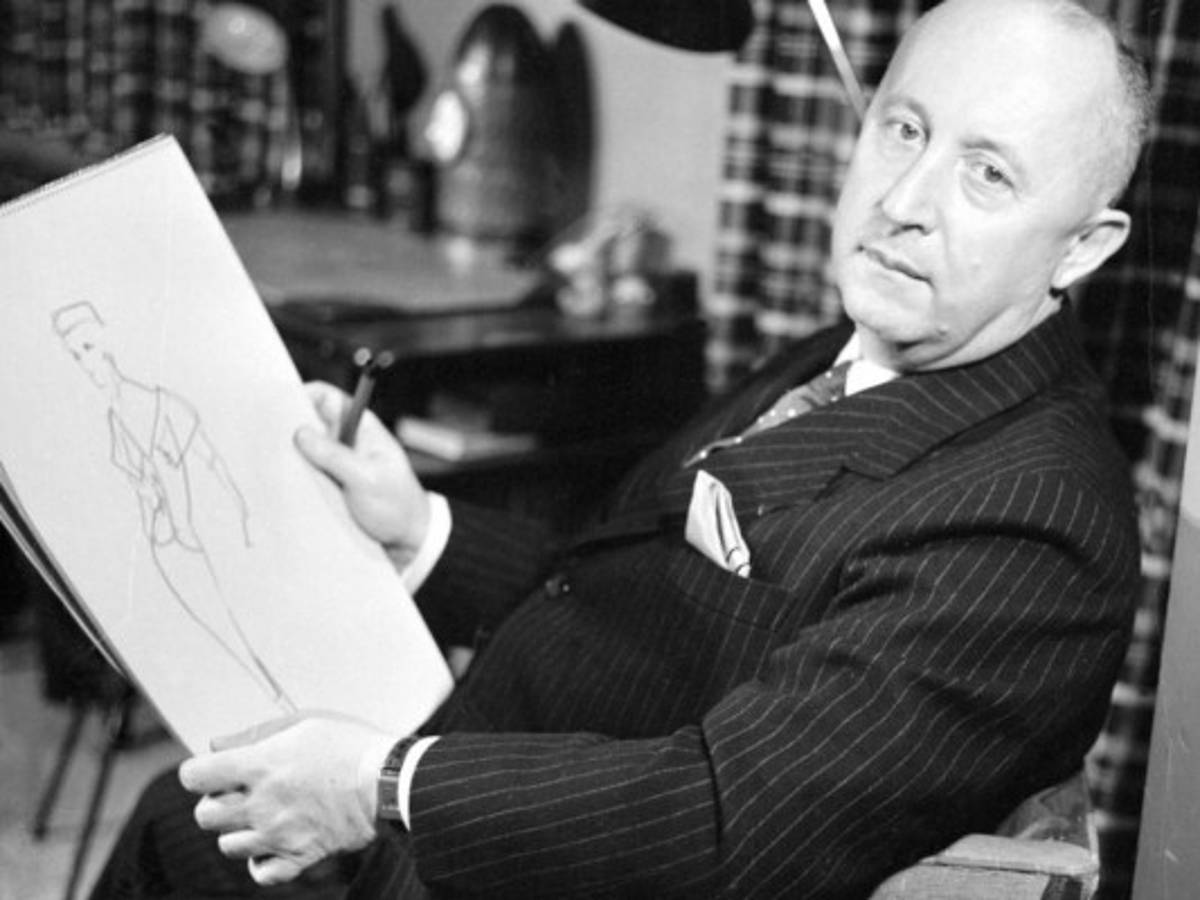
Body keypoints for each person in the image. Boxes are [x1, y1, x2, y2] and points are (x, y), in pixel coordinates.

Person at [90, 0, 1151, 896]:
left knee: (180, 835)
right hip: (494, 781)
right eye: (904, 129)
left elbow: (732, 822)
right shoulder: (864, 341)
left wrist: (380, 787)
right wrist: (422, 531)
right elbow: (631, 597)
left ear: (1084, 248)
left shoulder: (1036, 522)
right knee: (178, 819)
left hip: (548, 861)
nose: (904, 202)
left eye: (988, 175)